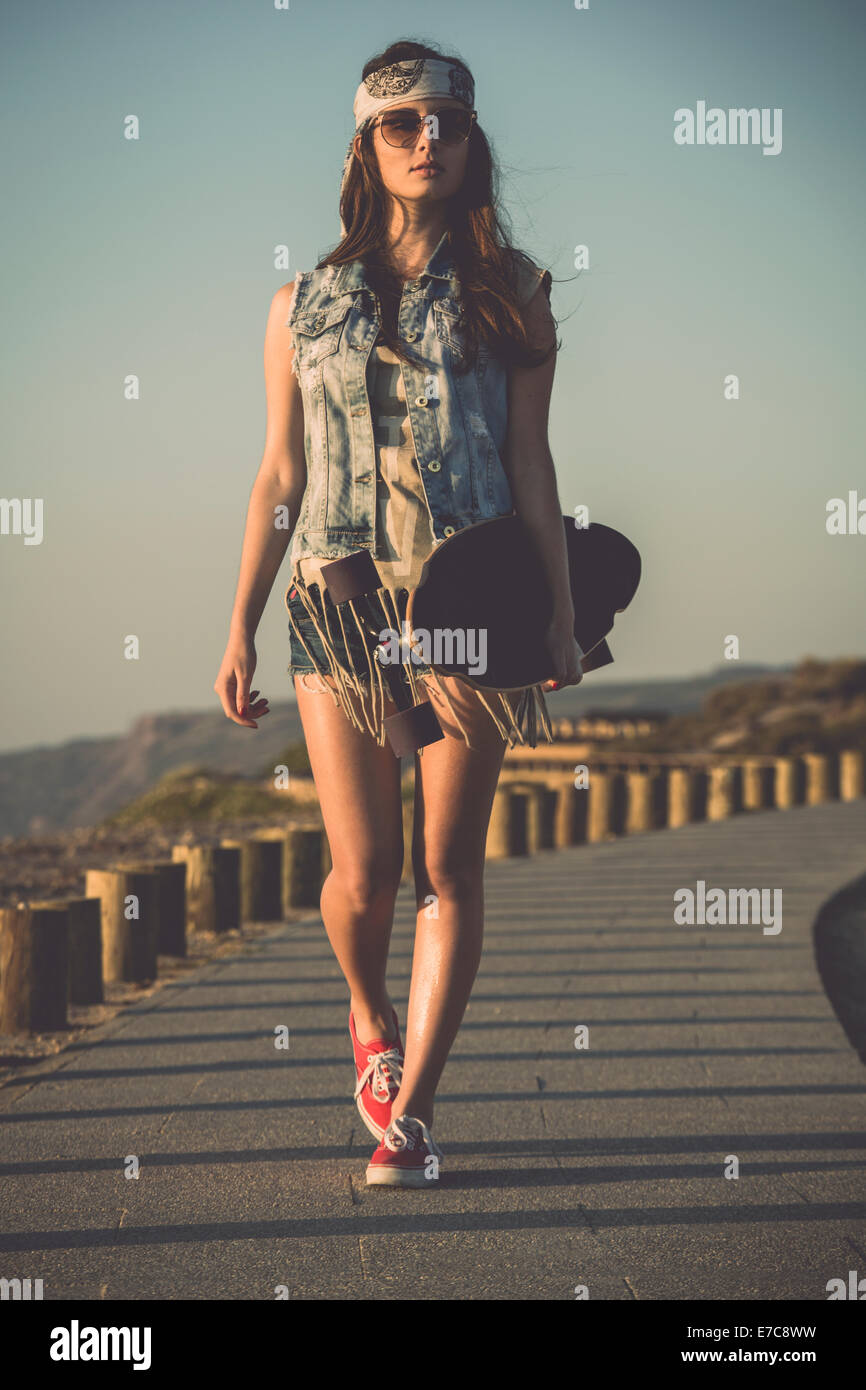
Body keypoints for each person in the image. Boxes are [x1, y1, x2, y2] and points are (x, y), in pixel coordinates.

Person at [214, 39, 583, 1188]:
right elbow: (278, 475)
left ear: (473, 145)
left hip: (470, 599)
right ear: (364, 147)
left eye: (448, 124)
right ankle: (366, 1017)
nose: (427, 141)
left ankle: (412, 1115)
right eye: (401, 123)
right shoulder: (296, 306)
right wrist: (233, 624)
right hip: (335, 602)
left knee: (445, 866)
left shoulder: (513, 292)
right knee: (361, 872)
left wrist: (559, 619)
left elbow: (531, 463)